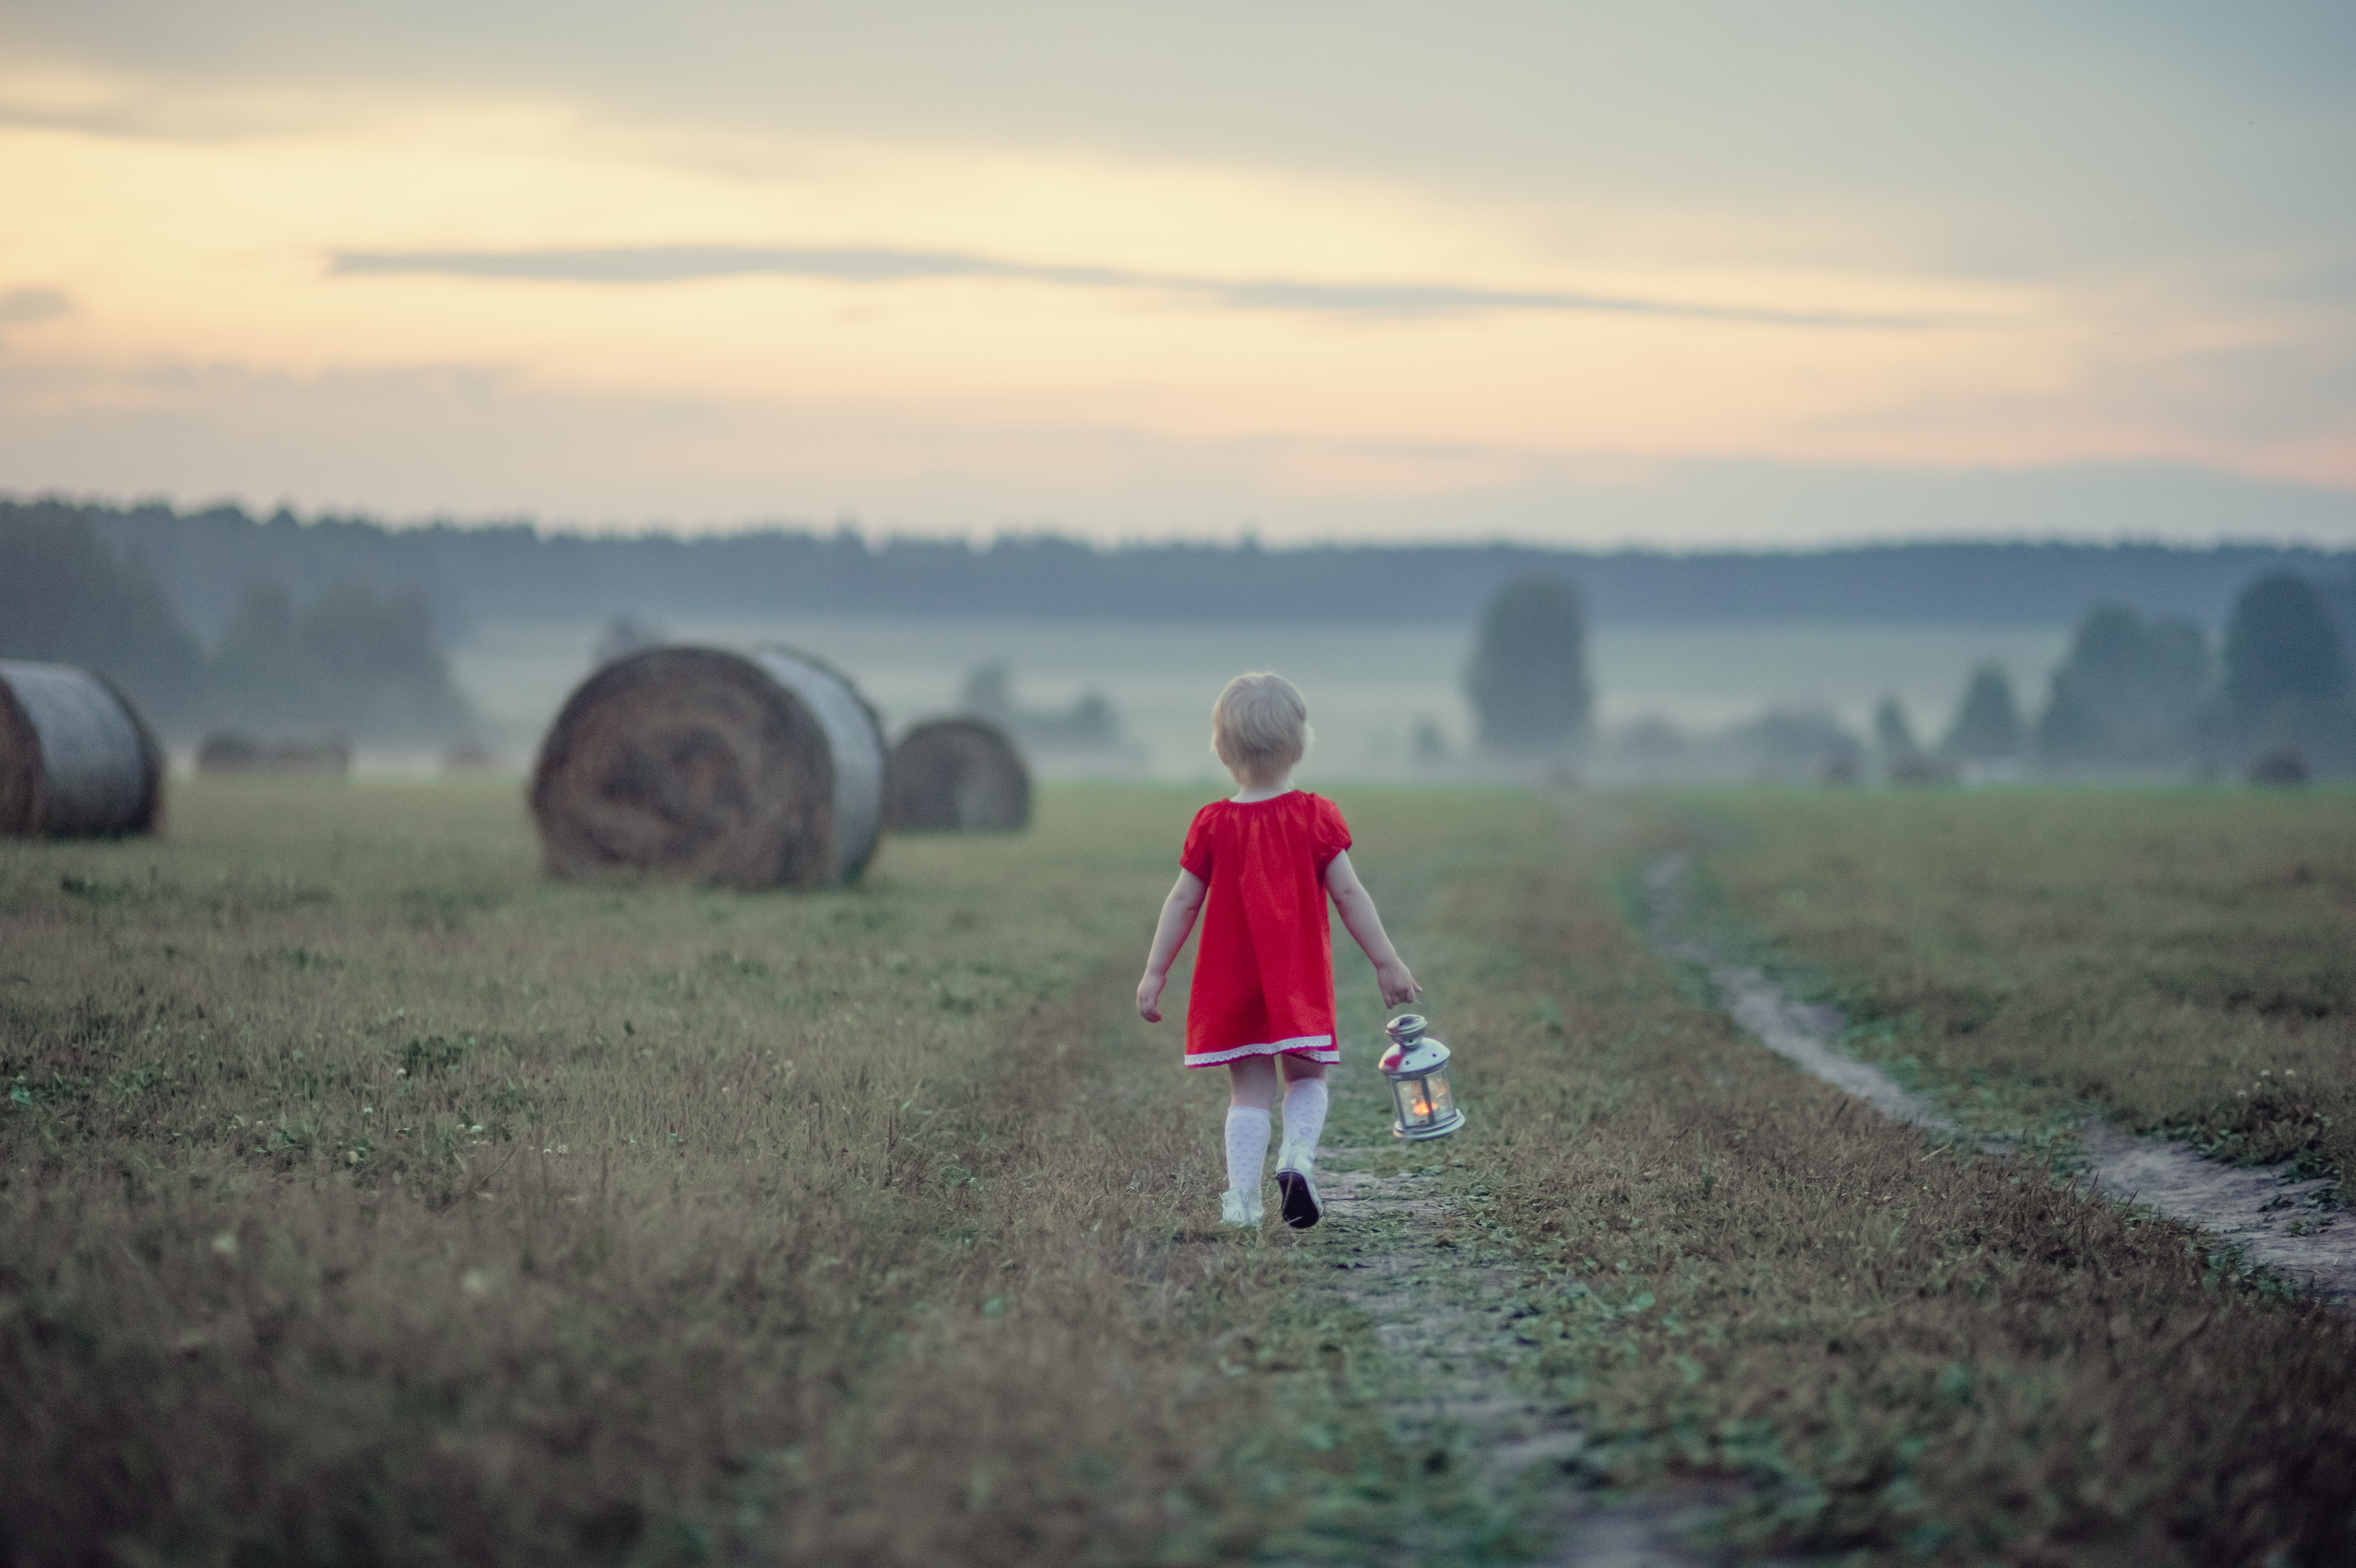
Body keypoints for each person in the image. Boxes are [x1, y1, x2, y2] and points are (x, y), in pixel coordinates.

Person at [1137, 673, 1421, 1230]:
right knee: (1308, 1078)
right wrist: (1386, 961)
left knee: (1248, 1089)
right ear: (1300, 743)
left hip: (1232, 983)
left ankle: (1241, 1202)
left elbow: (1182, 901)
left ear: (1220, 750)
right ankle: (1297, 1158)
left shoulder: (1212, 823)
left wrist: (1155, 970)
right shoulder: (1315, 816)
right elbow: (1348, 893)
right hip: (1296, 980)